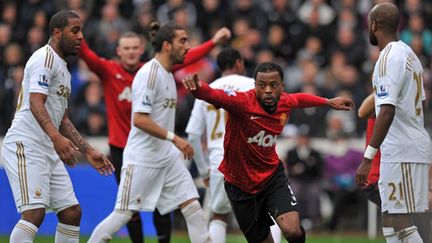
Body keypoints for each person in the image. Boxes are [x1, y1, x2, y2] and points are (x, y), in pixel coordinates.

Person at [79, 27, 231, 243]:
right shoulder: (149, 74)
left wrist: (213, 41)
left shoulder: (168, 73)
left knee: (192, 207)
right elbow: (139, 120)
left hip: (167, 157)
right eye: (183, 41)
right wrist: (175, 138)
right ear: (167, 45)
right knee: (123, 214)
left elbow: (191, 57)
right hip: (142, 157)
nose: (187, 46)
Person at [182, 62, 354, 243]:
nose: (268, 90)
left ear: (282, 87)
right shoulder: (242, 102)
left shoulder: (284, 102)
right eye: (262, 85)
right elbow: (215, 95)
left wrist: (327, 102)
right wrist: (197, 89)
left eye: (273, 85)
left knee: (293, 230)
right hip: (240, 184)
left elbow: (299, 99)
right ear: (255, 86)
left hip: (271, 177)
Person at [0, 10, 114, 243]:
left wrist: (88, 150)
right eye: (75, 30)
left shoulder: (63, 69)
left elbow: (62, 119)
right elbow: (35, 102)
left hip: (46, 147)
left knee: (71, 212)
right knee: (34, 213)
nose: (81, 36)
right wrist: (56, 138)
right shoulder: (45, 58)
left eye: (81, 30)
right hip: (26, 143)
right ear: (57, 32)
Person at [186, 48, 282, 243]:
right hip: (253, 158)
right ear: (239, 63)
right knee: (268, 212)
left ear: (219, 67)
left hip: (218, 161)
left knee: (219, 214)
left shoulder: (208, 88)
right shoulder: (254, 86)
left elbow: (193, 135)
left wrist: (204, 171)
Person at [356, 3, 432, 243]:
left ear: (374, 24)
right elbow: (424, 104)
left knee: (402, 220)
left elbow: (386, 110)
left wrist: (368, 158)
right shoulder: (410, 55)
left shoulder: (389, 57)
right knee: (389, 219)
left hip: (402, 151)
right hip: (407, 148)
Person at [358, 93, 432, 241]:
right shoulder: (384, 108)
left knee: (402, 219)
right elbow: (362, 112)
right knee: (407, 218)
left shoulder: (408, 115)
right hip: (379, 177)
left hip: (402, 173)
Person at [285, 124, 324, 230]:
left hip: (311, 180)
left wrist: (301, 167)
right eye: (302, 137)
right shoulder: (291, 152)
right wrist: (307, 165)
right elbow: (290, 169)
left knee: (314, 194)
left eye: (306, 137)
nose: (303, 140)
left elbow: (317, 169)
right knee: (295, 193)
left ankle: (313, 220)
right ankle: (297, 219)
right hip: (297, 180)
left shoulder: (315, 153)